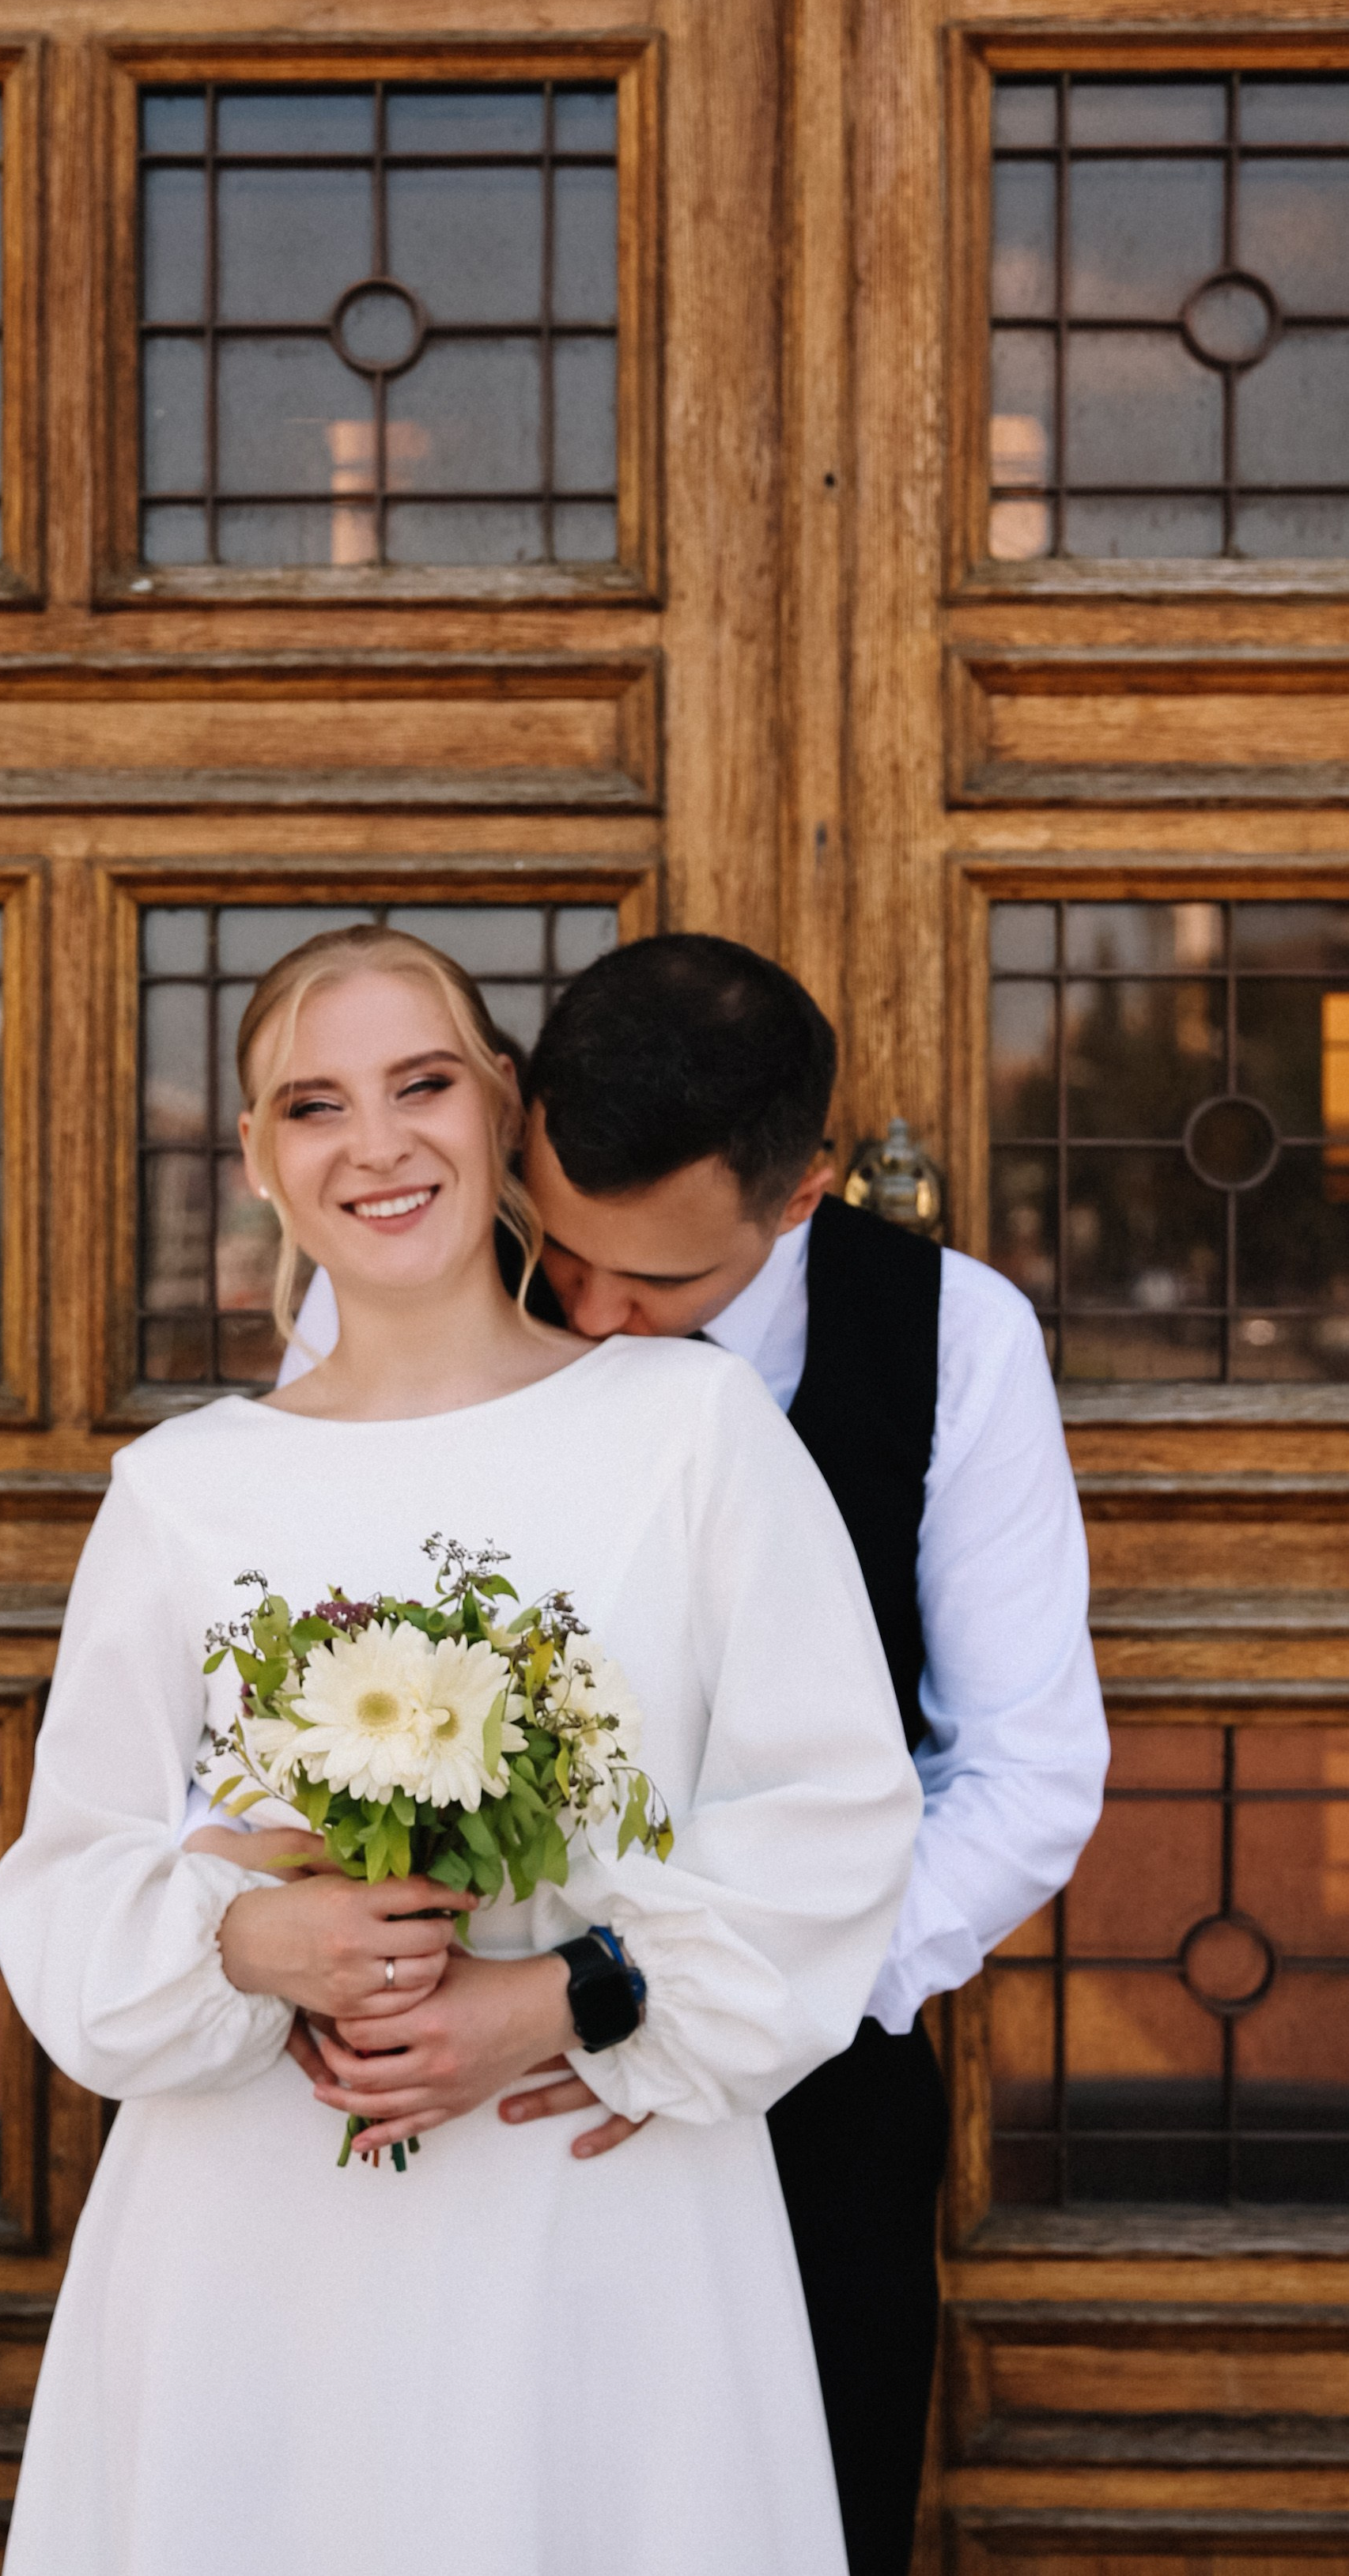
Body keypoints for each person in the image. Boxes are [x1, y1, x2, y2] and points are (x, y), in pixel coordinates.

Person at [0, 924, 922, 2576]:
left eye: (421, 1083)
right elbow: (71, 1875)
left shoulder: (694, 1435)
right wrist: (246, 1934)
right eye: (314, 1104)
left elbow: (832, 1816)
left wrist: (573, 1996)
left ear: (503, 1109)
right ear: (264, 1164)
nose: (379, 1142)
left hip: (590, 2198)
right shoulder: (183, 1490)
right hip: (261, 2230)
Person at [284, 932, 1109, 2576]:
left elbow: (1022, 1776)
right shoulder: (384, 1297)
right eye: (566, 1250)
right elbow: (304, 1690)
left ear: (800, 1194)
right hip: (447, 2100)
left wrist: (693, 2010)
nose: (588, 1311)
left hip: (802, 2109)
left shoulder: (956, 1340)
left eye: (655, 1286)